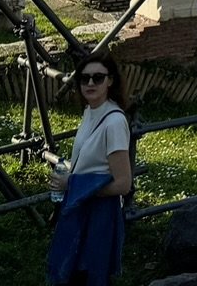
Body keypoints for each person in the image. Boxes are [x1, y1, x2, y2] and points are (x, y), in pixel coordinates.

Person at [45, 57, 132, 286]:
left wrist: (72, 184)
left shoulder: (114, 123)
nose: (90, 83)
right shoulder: (90, 111)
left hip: (98, 213)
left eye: (98, 78)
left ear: (110, 81)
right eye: (85, 79)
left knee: (88, 273)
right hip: (81, 207)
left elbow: (124, 183)